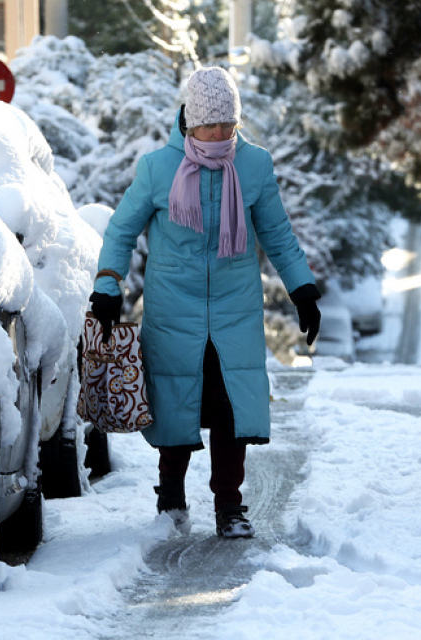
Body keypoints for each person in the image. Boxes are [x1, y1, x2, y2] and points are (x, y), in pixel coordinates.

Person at [89, 67, 321, 539]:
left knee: (230, 408)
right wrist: (107, 286)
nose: (219, 135)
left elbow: (276, 233)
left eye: (227, 125)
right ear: (189, 122)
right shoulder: (158, 168)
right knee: (176, 401)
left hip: (235, 309)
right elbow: (121, 230)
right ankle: (171, 492)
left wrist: (302, 289)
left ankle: (229, 505)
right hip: (174, 308)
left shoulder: (253, 165)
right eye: (210, 126)